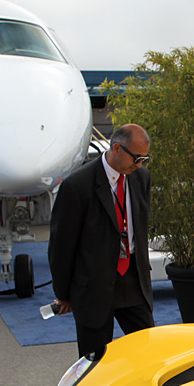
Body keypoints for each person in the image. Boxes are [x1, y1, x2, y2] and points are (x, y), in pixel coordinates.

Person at [48, 124, 154, 358]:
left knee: (148, 353)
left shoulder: (141, 178)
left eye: (144, 159)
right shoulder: (77, 186)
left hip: (133, 281)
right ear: (117, 149)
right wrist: (63, 293)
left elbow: (139, 227)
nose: (139, 165)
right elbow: (62, 244)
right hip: (93, 286)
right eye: (136, 158)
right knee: (94, 362)